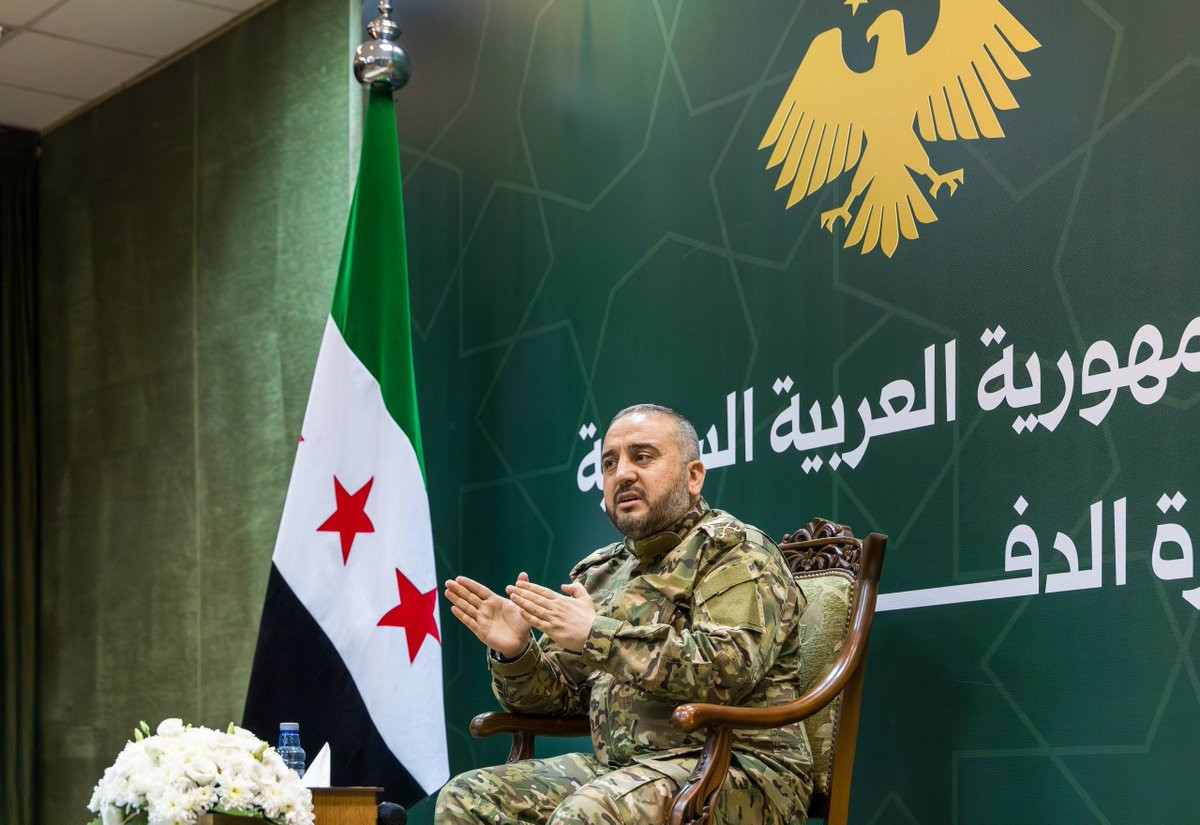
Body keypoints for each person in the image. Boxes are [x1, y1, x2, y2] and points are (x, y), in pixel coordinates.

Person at [437, 404, 812, 824]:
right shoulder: (603, 572)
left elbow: (725, 671)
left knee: (587, 813)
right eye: (610, 463)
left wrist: (596, 634)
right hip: (622, 770)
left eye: (643, 456)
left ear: (693, 476)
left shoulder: (736, 552)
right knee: (467, 797)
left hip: (740, 770)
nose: (623, 474)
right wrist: (517, 654)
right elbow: (556, 699)